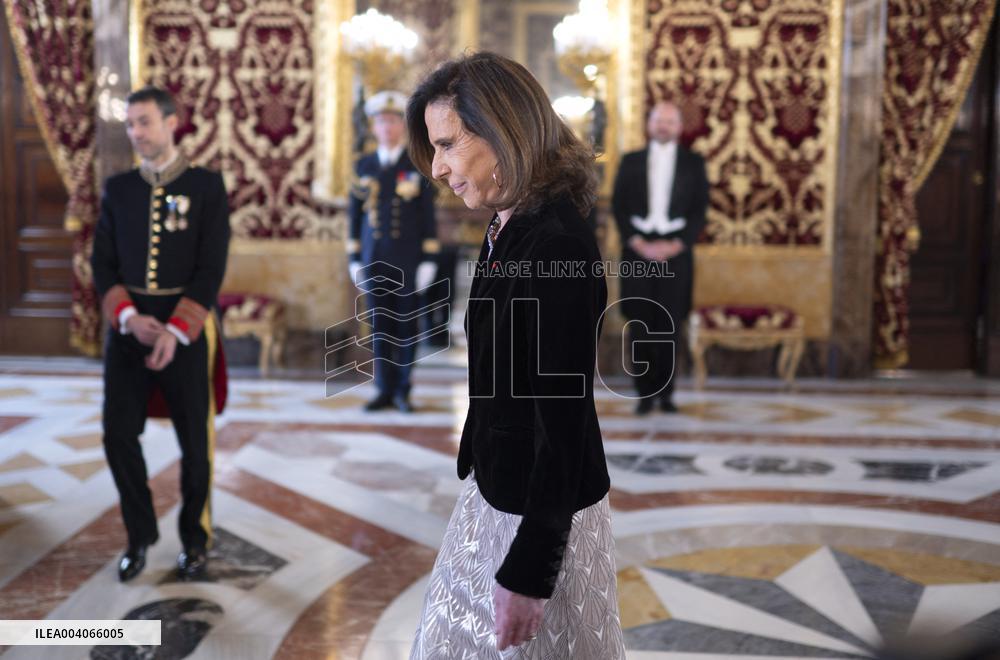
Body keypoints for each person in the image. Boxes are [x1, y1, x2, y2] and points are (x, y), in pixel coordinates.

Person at [405, 52, 625, 658]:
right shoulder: (509, 222)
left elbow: (565, 419)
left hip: (540, 515)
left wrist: (531, 569)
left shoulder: (555, 241)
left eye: (447, 144)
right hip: (496, 489)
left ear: (503, 129)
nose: (439, 168)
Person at [91, 86, 231, 582]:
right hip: (129, 329)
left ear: (172, 123)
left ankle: (195, 541)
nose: (136, 133)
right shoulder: (119, 188)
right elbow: (102, 263)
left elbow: (211, 266)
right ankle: (140, 532)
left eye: (145, 122)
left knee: (196, 444)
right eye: (130, 124)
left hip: (185, 330)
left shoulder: (206, 187)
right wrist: (127, 317)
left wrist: (177, 328)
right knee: (116, 435)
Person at [612, 100, 709, 415]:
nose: (664, 126)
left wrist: (676, 245)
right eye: (658, 120)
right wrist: (639, 243)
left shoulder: (694, 163)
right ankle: (643, 393)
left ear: (679, 127)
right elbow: (619, 207)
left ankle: (666, 393)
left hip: (676, 253)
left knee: (670, 324)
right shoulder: (630, 161)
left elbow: (699, 211)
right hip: (638, 252)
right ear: (650, 124)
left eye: (670, 121)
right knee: (640, 321)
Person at [348, 90, 439, 413]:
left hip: (407, 259)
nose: (387, 127)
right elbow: (354, 215)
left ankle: (403, 389)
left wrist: (429, 259)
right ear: (373, 127)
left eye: (392, 121)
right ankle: (383, 389)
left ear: (402, 125)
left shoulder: (416, 164)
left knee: (405, 326)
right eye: (381, 121)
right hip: (373, 258)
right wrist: (353, 257)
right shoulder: (364, 165)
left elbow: (428, 216)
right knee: (379, 326)